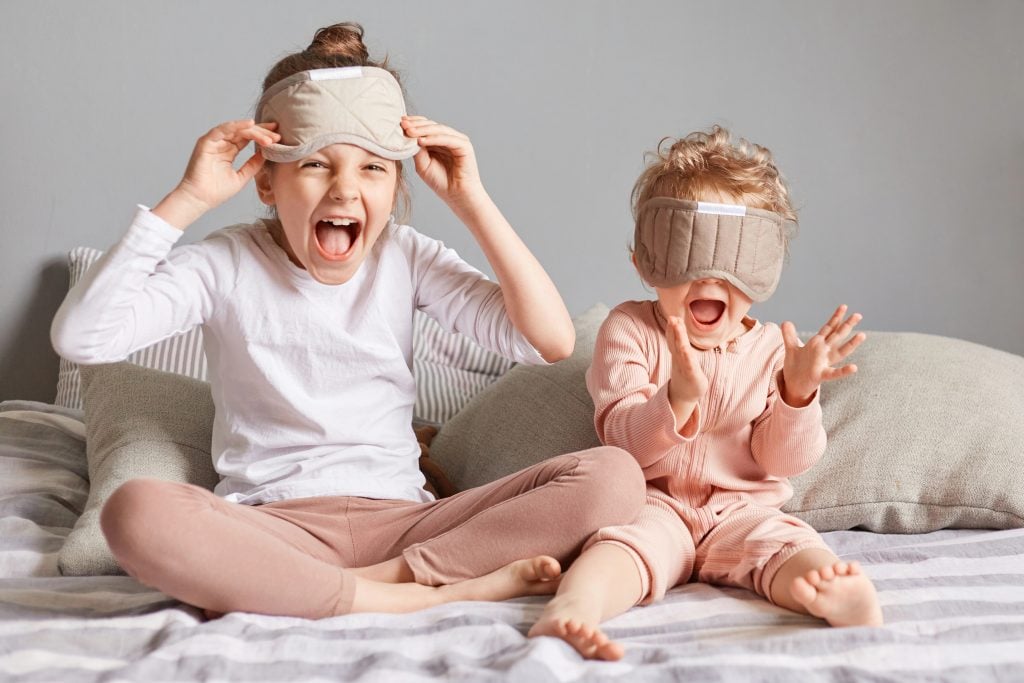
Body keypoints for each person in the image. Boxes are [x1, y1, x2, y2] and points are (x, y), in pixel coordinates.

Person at [50, 22, 646, 619]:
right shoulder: (224, 263)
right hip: (275, 531)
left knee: (615, 476)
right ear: (266, 180)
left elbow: (549, 341)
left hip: (409, 526)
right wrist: (188, 197)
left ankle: (369, 586)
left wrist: (471, 200)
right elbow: (83, 338)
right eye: (315, 163)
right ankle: (430, 592)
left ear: (396, 184)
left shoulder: (407, 256)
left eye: (372, 168)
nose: (344, 190)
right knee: (133, 512)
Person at [528, 126, 883, 660]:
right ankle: (573, 607)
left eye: (735, 258)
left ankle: (836, 596)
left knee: (787, 545)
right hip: (653, 504)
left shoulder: (773, 349)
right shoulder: (629, 330)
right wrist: (677, 397)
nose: (711, 276)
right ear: (645, 263)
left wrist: (797, 392)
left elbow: (783, 462)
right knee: (619, 551)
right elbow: (622, 443)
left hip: (743, 510)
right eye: (687, 253)